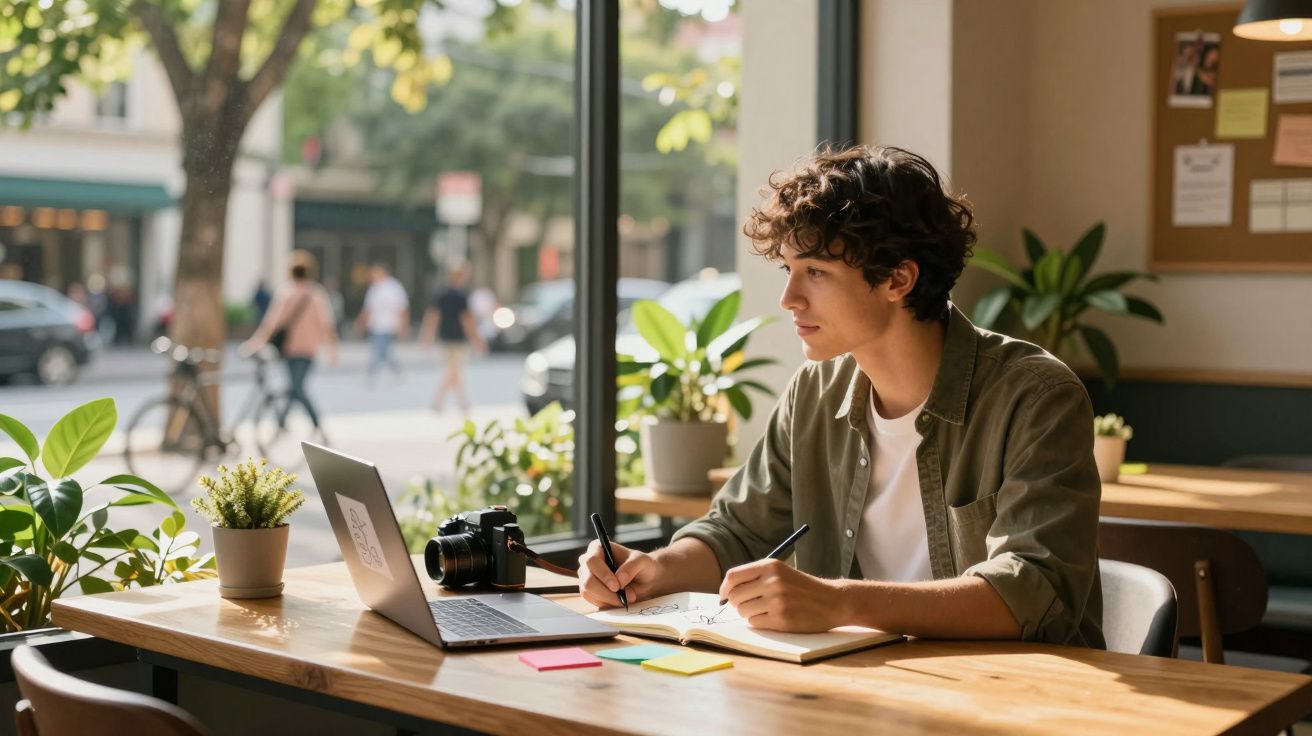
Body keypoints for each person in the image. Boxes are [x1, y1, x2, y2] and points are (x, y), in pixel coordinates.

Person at [577, 145, 1104, 647]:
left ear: (898, 279)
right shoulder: (815, 393)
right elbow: (736, 531)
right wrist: (655, 570)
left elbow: (1034, 590)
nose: (789, 298)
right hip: (859, 685)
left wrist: (839, 602)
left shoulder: (1036, 397)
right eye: (789, 270)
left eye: (817, 272)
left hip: (1016, 694)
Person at [244, 251, 338, 436]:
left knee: (296, 388)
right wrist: (332, 350)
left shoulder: (286, 292)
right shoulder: (317, 294)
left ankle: (295, 424)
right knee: (296, 388)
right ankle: (304, 425)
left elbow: (271, 322)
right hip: (308, 349)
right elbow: (327, 325)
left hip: (289, 349)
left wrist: (257, 341)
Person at [420, 263, 488, 414]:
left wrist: (428, 336)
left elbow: (432, 317)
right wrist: (477, 340)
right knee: (453, 371)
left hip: (445, 337)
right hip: (458, 339)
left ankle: (461, 402)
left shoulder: (441, 293)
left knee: (454, 371)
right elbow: (468, 320)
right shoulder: (461, 296)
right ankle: (441, 401)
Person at [354, 262, 410, 383]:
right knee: (383, 350)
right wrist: (361, 323)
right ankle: (395, 369)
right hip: (375, 325)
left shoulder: (394, 287)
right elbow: (368, 309)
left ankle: (372, 372)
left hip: (389, 325)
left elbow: (402, 308)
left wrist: (403, 325)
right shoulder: (373, 289)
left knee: (379, 349)